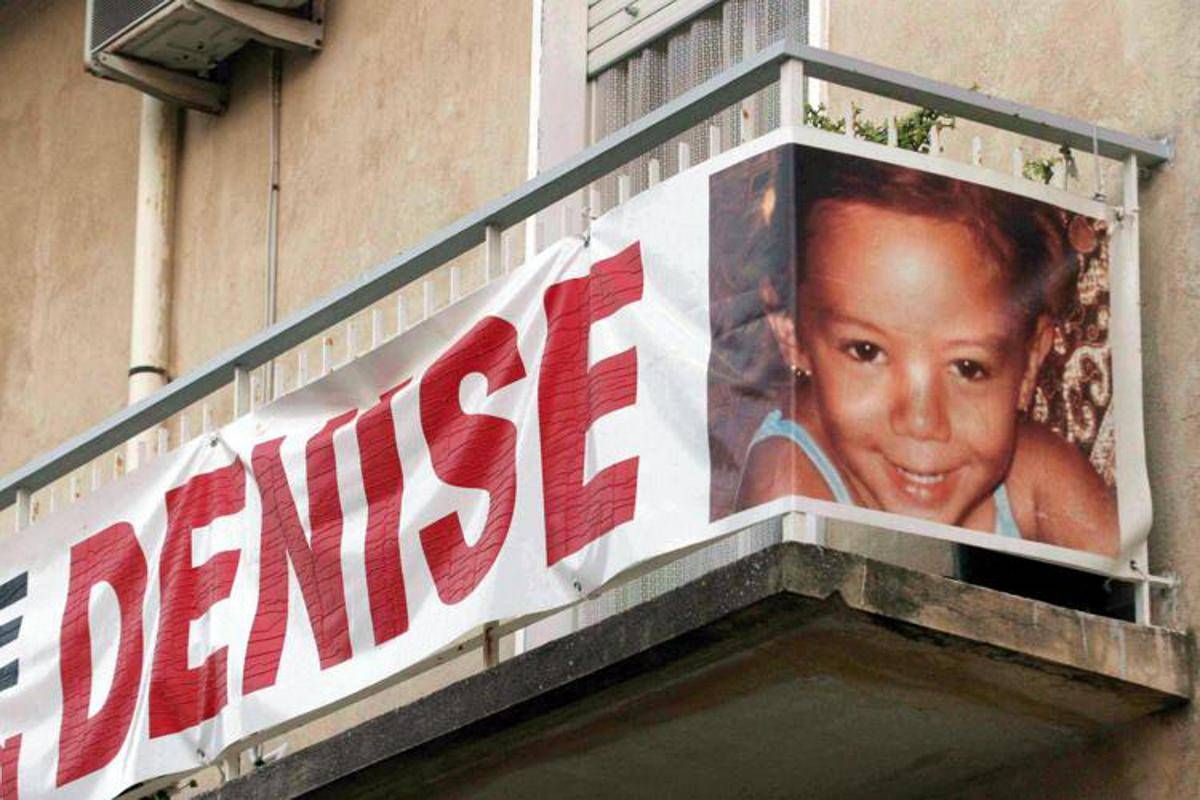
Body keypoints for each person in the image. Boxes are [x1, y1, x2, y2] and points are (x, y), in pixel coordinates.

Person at [733, 148, 1118, 556]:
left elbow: (1131, 575)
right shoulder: (787, 482)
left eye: (968, 368)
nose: (921, 422)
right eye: (867, 351)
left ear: (1029, 363)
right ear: (791, 330)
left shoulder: (1035, 470)